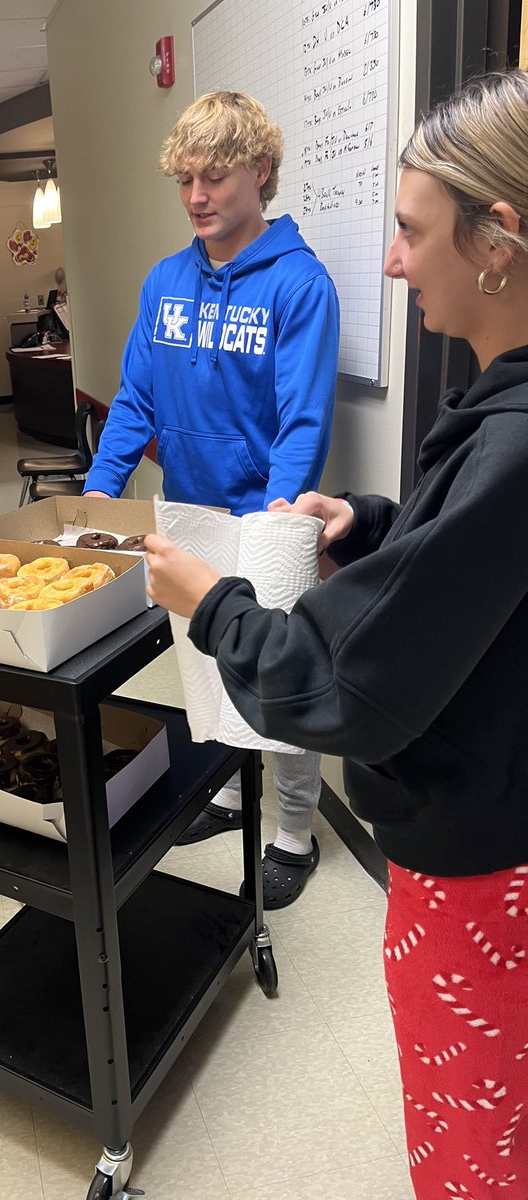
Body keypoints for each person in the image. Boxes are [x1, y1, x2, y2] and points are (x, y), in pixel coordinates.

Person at [145, 69, 528, 1200]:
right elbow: (472, 555)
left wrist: (213, 607)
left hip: (482, 864)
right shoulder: (498, 424)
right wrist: (372, 522)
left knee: (475, 1150)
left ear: (497, 238)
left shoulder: (512, 445)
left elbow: (338, 684)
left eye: (411, 234)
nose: (396, 263)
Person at [83, 92, 340, 907]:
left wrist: (273, 533)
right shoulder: (166, 282)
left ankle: (294, 828)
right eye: (186, 179)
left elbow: (303, 422)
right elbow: (134, 401)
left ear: (261, 172)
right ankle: (231, 793)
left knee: (280, 681)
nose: (197, 196)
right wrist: (100, 492)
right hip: (187, 512)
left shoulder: (300, 287)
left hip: (267, 518)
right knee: (208, 669)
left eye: (216, 176)